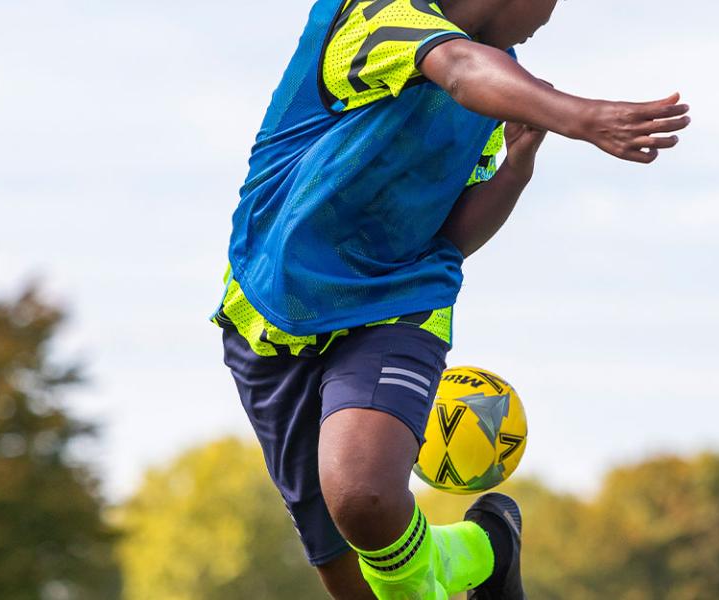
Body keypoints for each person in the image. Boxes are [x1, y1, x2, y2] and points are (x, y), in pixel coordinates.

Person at [214, 0, 690, 597]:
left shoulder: (502, 84)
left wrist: (514, 167)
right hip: (272, 309)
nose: (549, 15)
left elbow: (452, 236)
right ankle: (485, 549)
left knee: (362, 496)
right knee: (350, 575)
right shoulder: (374, 15)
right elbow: (457, 67)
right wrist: (585, 116)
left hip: (400, 297)